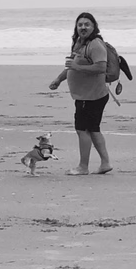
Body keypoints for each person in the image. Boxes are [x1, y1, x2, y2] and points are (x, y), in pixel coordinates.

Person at [49, 12, 112, 175]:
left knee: (82, 130)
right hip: (86, 95)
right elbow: (72, 65)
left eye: (87, 24)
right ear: (76, 27)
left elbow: (101, 67)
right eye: (80, 24)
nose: (83, 27)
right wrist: (59, 79)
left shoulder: (96, 44)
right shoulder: (79, 43)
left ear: (93, 27)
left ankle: (83, 167)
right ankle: (105, 163)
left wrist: (77, 68)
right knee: (93, 129)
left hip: (91, 96)